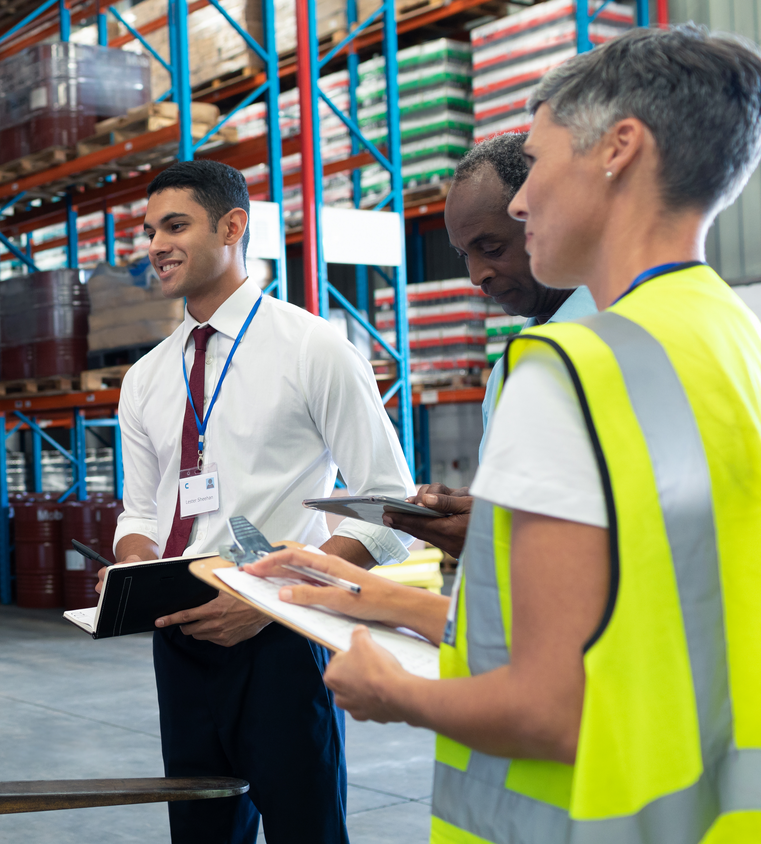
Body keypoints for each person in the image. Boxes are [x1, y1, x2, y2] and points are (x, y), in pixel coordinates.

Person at [248, 25, 761, 843]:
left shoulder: (567, 367)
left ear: (619, 149)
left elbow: (548, 712)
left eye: (543, 158)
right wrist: (396, 604)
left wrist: (388, 691)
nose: (522, 202)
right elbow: (647, 614)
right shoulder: (734, 341)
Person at [107, 159, 416, 842]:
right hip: (180, 637)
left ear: (233, 226)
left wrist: (266, 600)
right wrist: (132, 569)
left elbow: (390, 504)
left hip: (284, 639)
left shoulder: (312, 348)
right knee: (201, 832)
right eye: (150, 229)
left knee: (306, 828)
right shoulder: (147, 377)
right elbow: (142, 513)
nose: (155, 243)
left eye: (175, 225)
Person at [383, 132, 597, 558]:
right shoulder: (516, 362)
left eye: (492, 248)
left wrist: (496, 535)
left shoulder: (614, 345)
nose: (477, 275)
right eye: (465, 256)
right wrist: (474, 508)